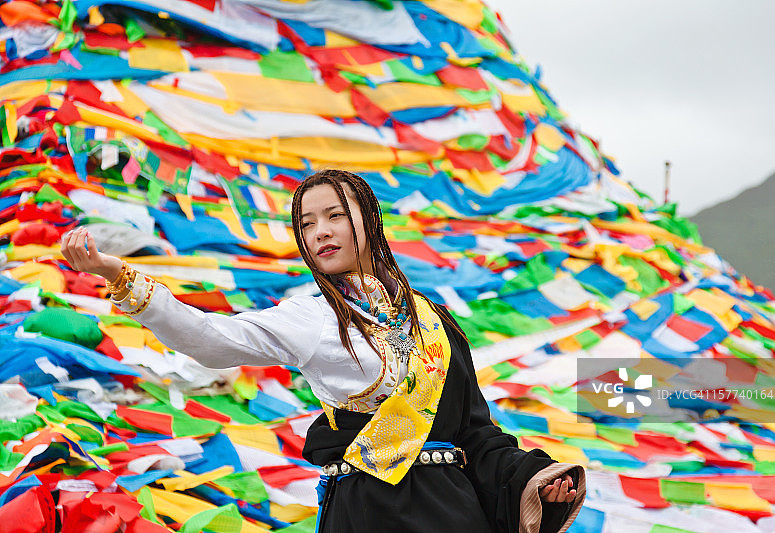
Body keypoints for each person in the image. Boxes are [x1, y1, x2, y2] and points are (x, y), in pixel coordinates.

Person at [60, 169, 585, 532]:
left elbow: (474, 431)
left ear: (368, 221)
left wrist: (535, 478)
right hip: (370, 510)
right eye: (306, 223)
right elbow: (211, 341)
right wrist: (118, 275)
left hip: (451, 511)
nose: (320, 232)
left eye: (334, 215)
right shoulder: (311, 316)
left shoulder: (431, 319)